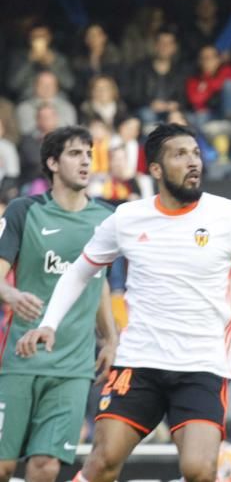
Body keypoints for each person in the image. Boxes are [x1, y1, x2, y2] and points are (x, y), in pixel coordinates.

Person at [16, 123, 231, 482]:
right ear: (155, 170)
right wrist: (48, 323)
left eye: (195, 153)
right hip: (139, 362)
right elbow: (78, 272)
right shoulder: (127, 218)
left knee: (199, 471)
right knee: (102, 462)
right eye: (180, 155)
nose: (193, 161)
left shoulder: (227, 216)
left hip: (202, 366)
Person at [0, 127, 117, 482]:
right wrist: (12, 294)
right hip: (19, 359)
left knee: (46, 465)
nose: (85, 161)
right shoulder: (25, 210)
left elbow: (100, 284)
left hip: (73, 365)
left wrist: (110, 337)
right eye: (74, 153)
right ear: (52, 162)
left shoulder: (107, 218)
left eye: (88, 153)